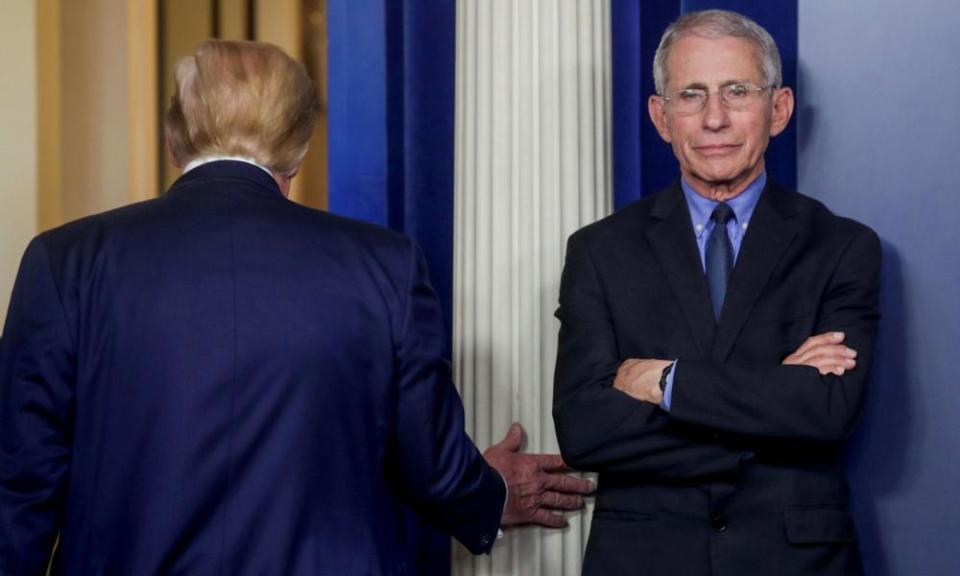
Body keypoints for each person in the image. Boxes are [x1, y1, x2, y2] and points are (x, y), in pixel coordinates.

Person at [0, 40, 592, 575]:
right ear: (300, 147)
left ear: (173, 137)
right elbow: (430, 464)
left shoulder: (64, 262)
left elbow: (19, 488)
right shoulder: (384, 265)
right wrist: (487, 494)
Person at [553, 10, 879, 576]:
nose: (714, 119)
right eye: (691, 95)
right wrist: (773, 405)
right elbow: (585, 431)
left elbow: (828, 410)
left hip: (796, 563)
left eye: (737, 91)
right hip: (644, 561)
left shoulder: (842, 247)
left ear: (778, 109)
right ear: (661, 116)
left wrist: (663, 380)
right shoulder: (599, 251)